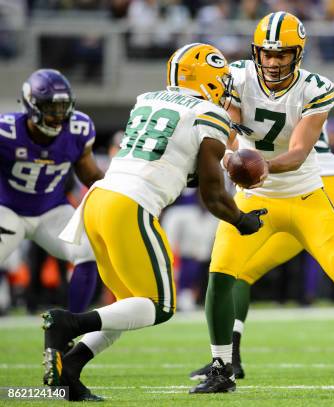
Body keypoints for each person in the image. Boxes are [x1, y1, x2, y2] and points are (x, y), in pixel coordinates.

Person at [190, 12, 334, 394]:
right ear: (256, 53)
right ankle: (222, 365)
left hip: (304, 195)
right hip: (253, 199)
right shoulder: (236, 77)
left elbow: (301, 151)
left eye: (281, 54)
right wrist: (232, 154)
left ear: (297, 54)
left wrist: (262, 165)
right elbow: (229, 127)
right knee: (220, 275)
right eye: (266, 54)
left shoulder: (316, 88)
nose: (272, 62)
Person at [41, 43, 266, 401]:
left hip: (98, 200)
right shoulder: (211, 115)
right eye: (221, 79)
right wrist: (242, 220)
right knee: (159, 306)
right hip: (131, 204)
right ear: (208, 80)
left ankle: (70, 369)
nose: (225, 87)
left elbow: (172, 160)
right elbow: (211, 194)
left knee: (126, 307)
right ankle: (68, 322)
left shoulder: (147, 100)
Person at [190, 120, 334, 381]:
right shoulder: (303, 93)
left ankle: (230, 358)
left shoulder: (260, 92)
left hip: (302, 188)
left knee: (243, 273)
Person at [0, 69, 102, 314]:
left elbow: (91, 176)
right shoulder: (6, 132)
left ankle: (71, 326)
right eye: (51, 108)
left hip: (52, 211)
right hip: (7, 209)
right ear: (31, 106)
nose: (58, 116)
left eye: (63, 107)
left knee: (88, 253)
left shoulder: (78, 130)